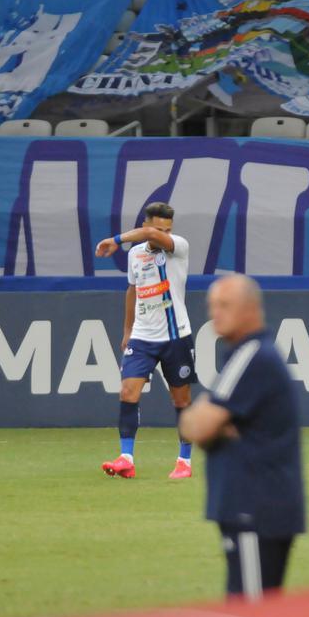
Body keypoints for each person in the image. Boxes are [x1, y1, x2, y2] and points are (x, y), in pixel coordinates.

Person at [179, 274, 306, 599]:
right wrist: (215, 421)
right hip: (262, 507)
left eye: (224, 305)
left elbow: (195, 427)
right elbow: (202, 426)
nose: (214, 314)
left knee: (250, 613)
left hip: (253, 509)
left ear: (250, 309)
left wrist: (210, 418)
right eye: (212, 306)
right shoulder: (252, 355)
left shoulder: (251, 356)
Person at [95, 202, 195, 480]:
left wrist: (115, 240)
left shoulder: (179, 246)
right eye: (157, 228)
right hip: (143, 336)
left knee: (181, 401)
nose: (163, 234)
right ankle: (126, 458)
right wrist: (127, 330)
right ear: (145, 224)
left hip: (176, 336)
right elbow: (132, 289)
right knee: (128, 392)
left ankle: (184, 461)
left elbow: (150, 237)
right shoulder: (136, 255)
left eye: (168, 229)